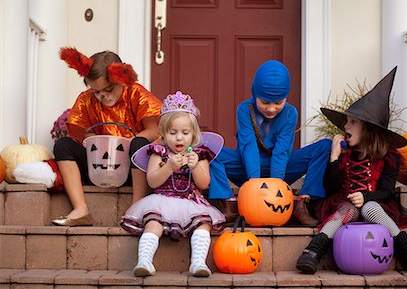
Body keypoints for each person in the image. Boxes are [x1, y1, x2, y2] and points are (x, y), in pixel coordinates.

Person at [296, 67, 407, 274]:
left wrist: (366, 197)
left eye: (352, 122)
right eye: (346, 122)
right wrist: (333, 158)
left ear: (368, 129)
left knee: (369, 208)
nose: (346, 127)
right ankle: (313, 251)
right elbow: (330, 187)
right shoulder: (345, 154)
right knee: (349, 209)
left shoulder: (389, 156)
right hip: (343, 204)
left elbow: (387, 190)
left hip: (376, 204)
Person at [209, 60, 331, 225]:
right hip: (246, 168)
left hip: (281, 170)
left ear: (286, 98)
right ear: (255, 94)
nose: (271, 108)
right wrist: (254, 183)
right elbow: (248, 145)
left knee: (324, 147)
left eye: (278, 103)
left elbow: (283, 150)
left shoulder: (290, 113)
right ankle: (227, 205)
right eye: (265, 102)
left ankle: (303, 204)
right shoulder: (245, 110)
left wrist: (276, 186)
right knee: (210, 149)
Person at [51, 47, 162, 226]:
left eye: (108, 89)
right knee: (63, 145)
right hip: (99, 167)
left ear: (122, 80)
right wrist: (91, 139)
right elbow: (81, 132)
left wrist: (127, 144)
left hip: (132, 168)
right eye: (96, 92)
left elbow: (154, 130)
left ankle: (136, 207)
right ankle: (80, 209)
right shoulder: (87, 100)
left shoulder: (136, 94)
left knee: (139, 143)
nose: (103, 96)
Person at [121, 91, 226, 277]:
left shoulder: (198, 154)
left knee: (203, 225)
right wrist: (168, 166)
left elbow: (204, 184)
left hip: (190, 202)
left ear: (193, 135)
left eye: (185, 133)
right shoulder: (159, 153)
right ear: (162, 134)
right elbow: (152, 180)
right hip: (161, 200)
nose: (179, 138)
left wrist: (195, 168)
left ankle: (198, 263)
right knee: (153, 223)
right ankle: (144, 261)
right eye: (173, 133)